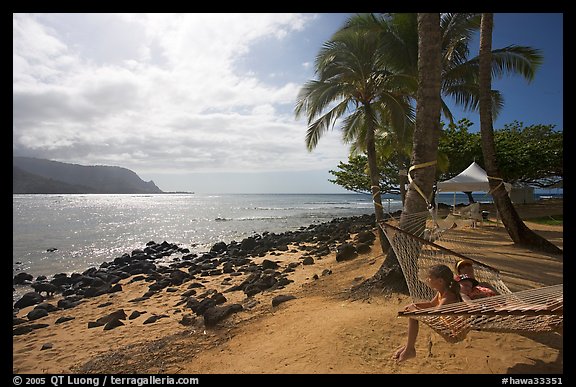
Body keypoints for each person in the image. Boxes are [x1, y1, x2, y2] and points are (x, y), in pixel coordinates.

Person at [392, 264, 462, 363]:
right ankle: (409, 347)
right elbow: (431, 304)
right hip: (444, 324)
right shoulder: (441, 292)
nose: (428, 280)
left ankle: (409, 349)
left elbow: (435, 313)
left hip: (452, 331)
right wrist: (414, 305)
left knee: (414, 315)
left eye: (430, 278)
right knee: (413, 315)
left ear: (440, 281)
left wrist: (415, 310)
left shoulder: (448, 296)